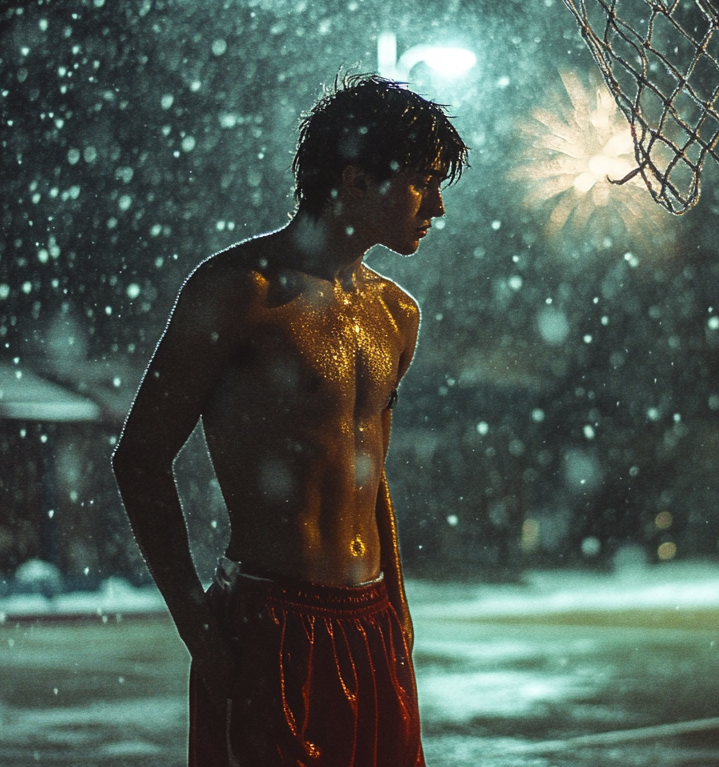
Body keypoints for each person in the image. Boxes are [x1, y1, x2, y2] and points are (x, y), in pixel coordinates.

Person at [112, 74, 467, 767]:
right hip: (269, 625)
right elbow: (139, 459)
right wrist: (204, 639)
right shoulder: (237, 292)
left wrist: (398, 613)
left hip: (372, 629)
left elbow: (369, 468)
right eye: (424, 182)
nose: (439, 207)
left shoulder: (397, 315)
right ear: (357, 180)